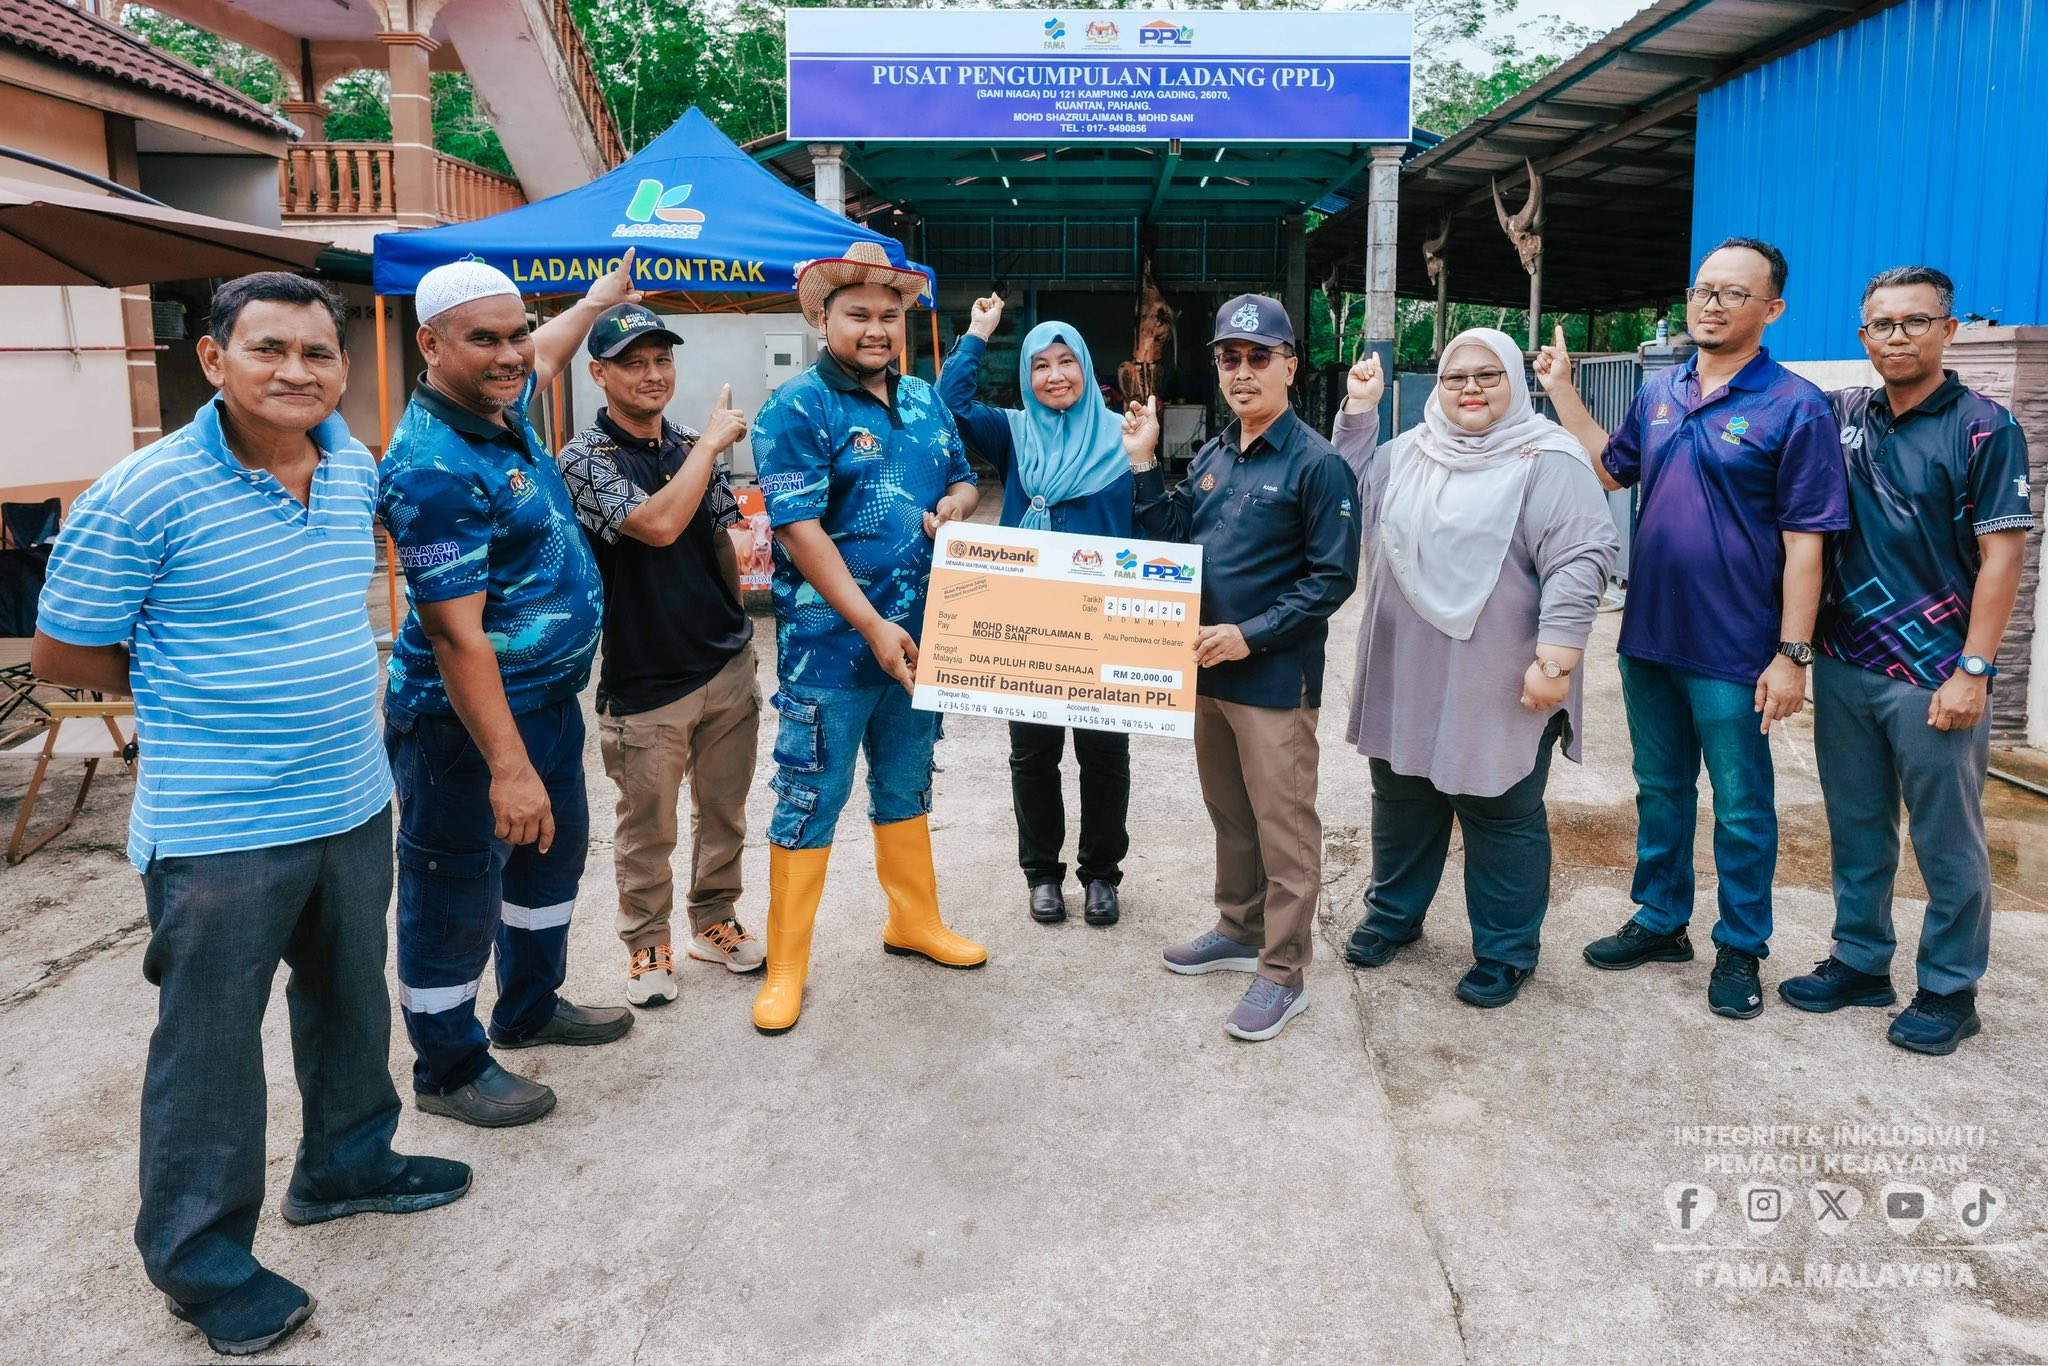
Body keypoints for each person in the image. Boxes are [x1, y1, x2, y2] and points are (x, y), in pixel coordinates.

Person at [32, 274, 469, 1357]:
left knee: (344, 998)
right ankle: (200, 1260)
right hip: (220, 825)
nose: (298, 373)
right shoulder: (144, 492)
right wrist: (214, 697)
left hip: (352, 795)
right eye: (269, 349)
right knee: (210, 1047)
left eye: (320, 355)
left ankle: (347, 1164)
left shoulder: (350, 464)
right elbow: (64, 658)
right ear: (213, 360)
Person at [1538, 238, 1849, 1020]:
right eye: (1703, 289)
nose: (1712, 303)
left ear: (1771, 309)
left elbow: (1809, 542)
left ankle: (1741, 945)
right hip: (1650, 637)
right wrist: (1563, 392)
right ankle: (1660, 919)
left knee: (1744, 807)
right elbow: (1612, 469)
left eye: (1733, 293)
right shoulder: (1661, 391)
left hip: (1738, 650)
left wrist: (1793, 654)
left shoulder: (1795, 405)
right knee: (1660, 791)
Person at [378, 256, 638, 1128]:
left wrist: (598, 300)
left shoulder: (498, 407)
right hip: (466, 727)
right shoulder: (433, 467)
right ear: (431, 344)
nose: (511, 354)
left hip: (546, 700)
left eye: (516, 332)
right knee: (455, 888)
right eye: (483, 339)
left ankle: (528, 1008)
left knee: (549, 861)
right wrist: (508, 765)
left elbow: (551, 352)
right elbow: (456, 635)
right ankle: (448, 1067)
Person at [1777, 266, 2035, 1054]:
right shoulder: (1842, 413)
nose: (1897, 337)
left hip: (1935, 675)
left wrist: (1974, 670)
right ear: (1863, 337)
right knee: (1858, 827)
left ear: (1948, 330)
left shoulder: (1987, 428)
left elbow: (2004, 559)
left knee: (1946, 838)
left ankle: (1951, 989)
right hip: (1847, 660)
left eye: (1915, 322)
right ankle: (1860, 961)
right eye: (1882, 325)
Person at [1334, 331, 1619, 1008]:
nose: (1470, 388)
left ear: (1516, 382)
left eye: (1489, 375)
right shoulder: (1407, 452)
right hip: (1407, 666)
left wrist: (1556, 657)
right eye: (1455, 376)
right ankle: (1393, 916)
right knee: (1401, 798)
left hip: (1501, 672)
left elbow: (1582, 557)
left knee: (1500, 807)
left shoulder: (1549, 460)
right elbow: (1342, 501)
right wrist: (1360, 414)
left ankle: (1505, 950)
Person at [747, 241, 985, 1035]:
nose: (877, 328)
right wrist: (873, 624)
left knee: (908, 783)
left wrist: (956, 504)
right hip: (832, 649)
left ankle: (913, 922)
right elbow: (799, 530)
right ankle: (787, 967)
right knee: (810, 794)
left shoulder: (923, 400)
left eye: (889, 315)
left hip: (926, 639)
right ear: (823, 317)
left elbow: (963, 477)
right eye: (859, 315)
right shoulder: (796, 408)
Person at [1123, 294, 1361, 1042]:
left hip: (1269, 681)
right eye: (1231, 358)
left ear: (1291, 364)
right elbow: (1175, 545)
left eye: (1262, 357)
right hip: (1207, 673)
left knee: (1283, 831)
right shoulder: (1219, 452)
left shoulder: (1318, 464)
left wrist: (1249, 636)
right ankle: (1237, 928)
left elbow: (1331, 580)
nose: (1244, 371)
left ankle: (1284, 973)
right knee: (1231, 816)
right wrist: (1142, 465)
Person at [557, 304, 765, 1008]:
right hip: (646, 680)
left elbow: (716, 539)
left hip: (725, 666)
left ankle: (715, 921)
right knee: (648, 827)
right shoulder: (584, 459)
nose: (653, 374)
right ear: (599, 373)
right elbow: (654, 524)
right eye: (634, 362)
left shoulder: (688, 442)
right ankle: (647, 943)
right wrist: (707, 448)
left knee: (725, 811)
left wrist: (735, 627)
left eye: (662, 360)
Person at [936, 292, 1133, 926]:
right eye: (1040, 365)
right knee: (1033, 753)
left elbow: (1154, 515)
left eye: (1065, 361)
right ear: (1026, 375)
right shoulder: (1014, 430)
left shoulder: (1123, 434)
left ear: (1085, 367)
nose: (1054, 376)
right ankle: (1041, 874)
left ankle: (1101, 875)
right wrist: (978, 332)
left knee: (1105, 755)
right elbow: (951, 407)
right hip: (1027, 620)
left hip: (1104, 617)